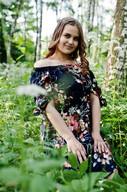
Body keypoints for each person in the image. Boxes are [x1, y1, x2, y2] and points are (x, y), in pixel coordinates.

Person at [30, 17, 118, 179]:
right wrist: (69, 138)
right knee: (70, 178)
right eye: (67, 36)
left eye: (76, 38)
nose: (71, 41)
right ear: (58, 36)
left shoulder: (81, 67)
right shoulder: (43, 67)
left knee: (110, 177)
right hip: (59, 132)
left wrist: (96, 133)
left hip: (86, 130)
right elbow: (47, 107)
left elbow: (95, 99)